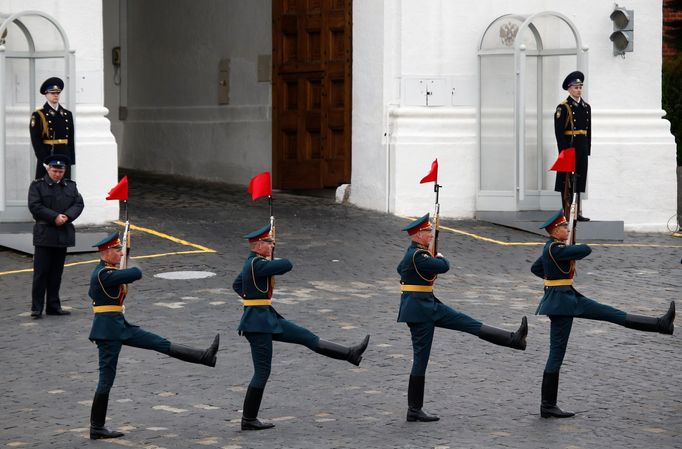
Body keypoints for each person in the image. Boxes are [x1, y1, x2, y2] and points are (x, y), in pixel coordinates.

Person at [531, 210, 675, 419]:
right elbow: (586, 250)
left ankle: (661, 324)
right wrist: (565, 259)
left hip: (569, 298)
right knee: (556, 353)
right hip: (562, 306)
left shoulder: (551, 249)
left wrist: (553, 277)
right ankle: (547, 405)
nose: (567, 229)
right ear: (555, 230)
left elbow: (536, 268)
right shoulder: (557, 249)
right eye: (564, 227)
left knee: (612, 314)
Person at [233, 223, 370, 431]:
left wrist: (252, 298)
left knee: (306, 337)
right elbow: (287, 265)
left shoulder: (252, 264)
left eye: (271, 243)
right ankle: (248, 419)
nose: (271, 246)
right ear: (259, 245)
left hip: (267, 319)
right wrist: (255, 299)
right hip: (258, 325)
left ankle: (350, 354)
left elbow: (237, 284)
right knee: (262, 372)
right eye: (269, 243)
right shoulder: (257, 265)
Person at [88, 233, 220, 440]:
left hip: (120, 326)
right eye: (117, 250)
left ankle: (204, 357)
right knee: (106, 379)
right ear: (105, 253)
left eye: (121, 249)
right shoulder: (103, 274)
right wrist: (129, 258)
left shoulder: (109, 271)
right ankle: (96, 427)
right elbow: (136, 273)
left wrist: (124, 258)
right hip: (108, 333)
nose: (120, 252)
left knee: (159, 343)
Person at [397, 214, 527, 422]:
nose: (431, 235)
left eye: (431, 231)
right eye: (428, 232)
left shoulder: (415, 255)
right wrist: (438, 256)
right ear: (418, 234)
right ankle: (414, 410)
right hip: (420, 312)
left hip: (429, 306)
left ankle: (514, 339)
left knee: (469, 324)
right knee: (421, 359)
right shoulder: (416, 256)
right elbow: (443, 267)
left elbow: (401, 270)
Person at [27, 155, 83, 318]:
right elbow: (35, 206)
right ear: (48, 169)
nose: (58, 174)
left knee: (56, 273)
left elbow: (78, 204)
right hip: (45, 234)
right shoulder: (37, 186)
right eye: (55, 170)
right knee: (41, 273)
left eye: (61, 171)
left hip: (62, 233)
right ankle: (36, 307)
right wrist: (54, 217)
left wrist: (66, 216)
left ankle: (53, 305)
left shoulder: (70, 186)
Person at [554, 71, 591, 221]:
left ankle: (577, 212)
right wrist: (563, 152)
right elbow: (559, 132)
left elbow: (588, 131)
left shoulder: (586, 107)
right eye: (575, 87)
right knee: (566, 181)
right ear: (569, 89)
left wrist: (587, 149)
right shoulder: (563, 107)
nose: (578, 89)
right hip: (569, 146)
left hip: (581, 147)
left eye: (580, 87)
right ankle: (567, 211)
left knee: (580, 179)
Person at [30, 77, 75, 179]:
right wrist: (45, 161)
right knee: (45, 190)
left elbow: (70, 140)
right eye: (52, 93)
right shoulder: (38, 115)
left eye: (57, 93)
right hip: (48, 155)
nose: (56, 95)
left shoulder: (67, 114)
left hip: (64, 156)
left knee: (65, 189)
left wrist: (71, 160)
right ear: (46, 94)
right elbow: (36, 141)